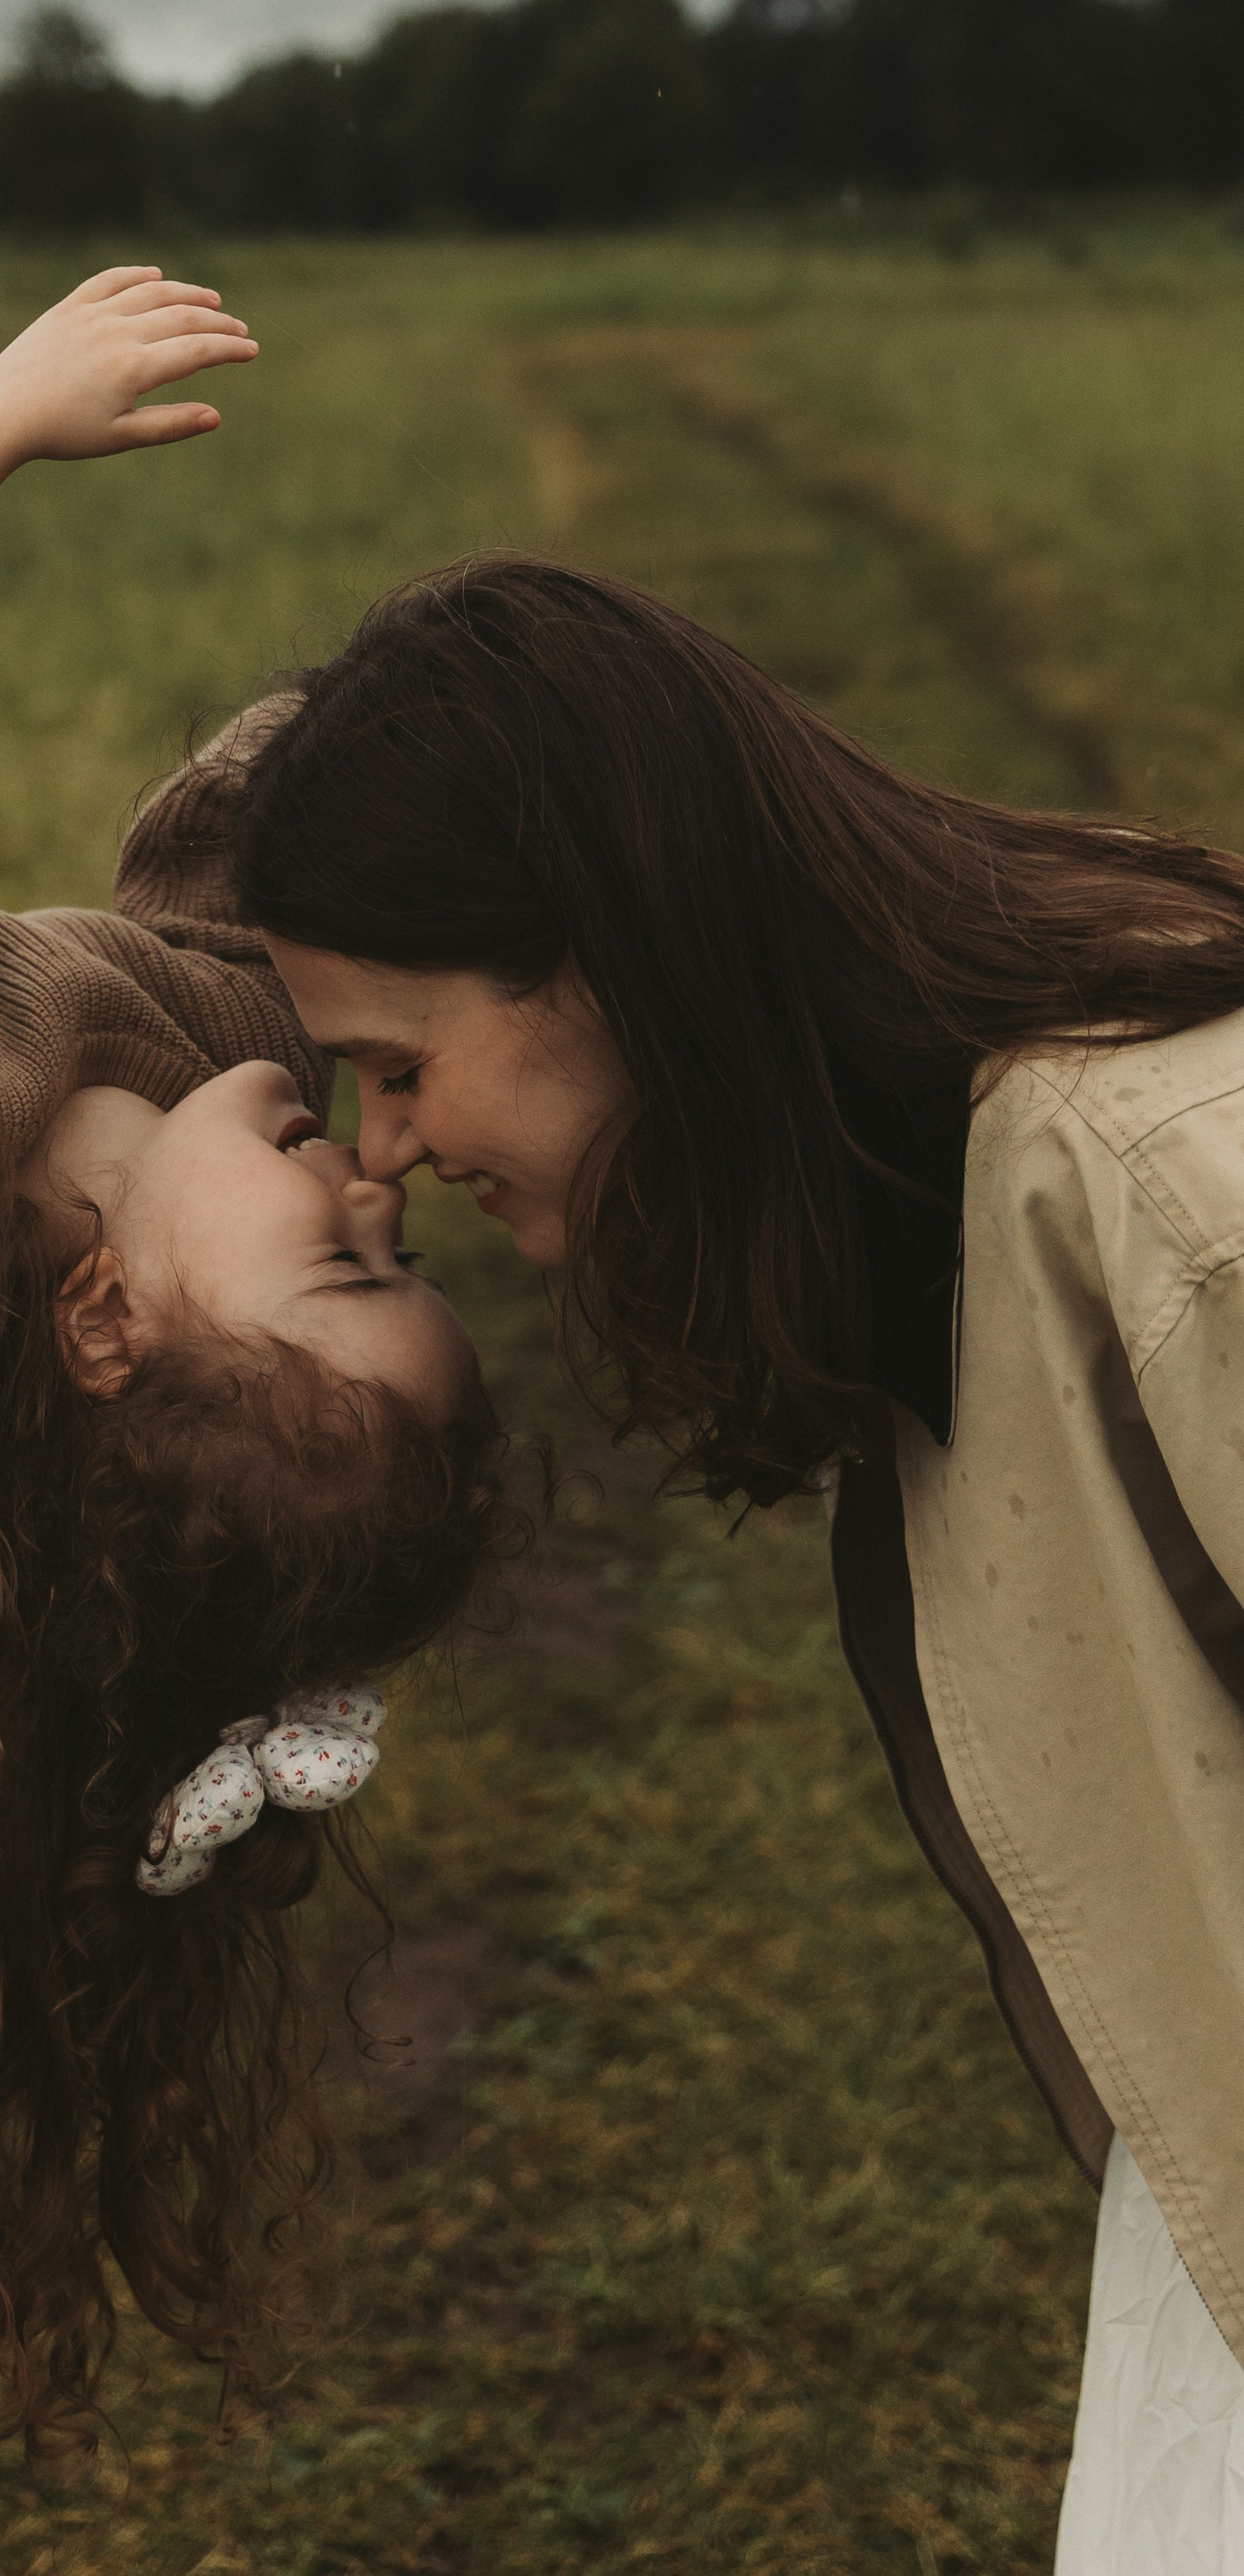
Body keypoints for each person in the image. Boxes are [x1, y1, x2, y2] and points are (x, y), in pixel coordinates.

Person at [230, 552, 1244, 2572]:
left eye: (399, 1059)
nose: (384, 1144)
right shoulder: (931, 1196)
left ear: (598, 962)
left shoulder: (1162, 1190)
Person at [0, 267, 509, 2470]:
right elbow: (255, 867)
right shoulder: (242, 1074)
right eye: (406, 1251)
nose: (374, 1191)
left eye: (342, 1273)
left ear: (111, 1324)